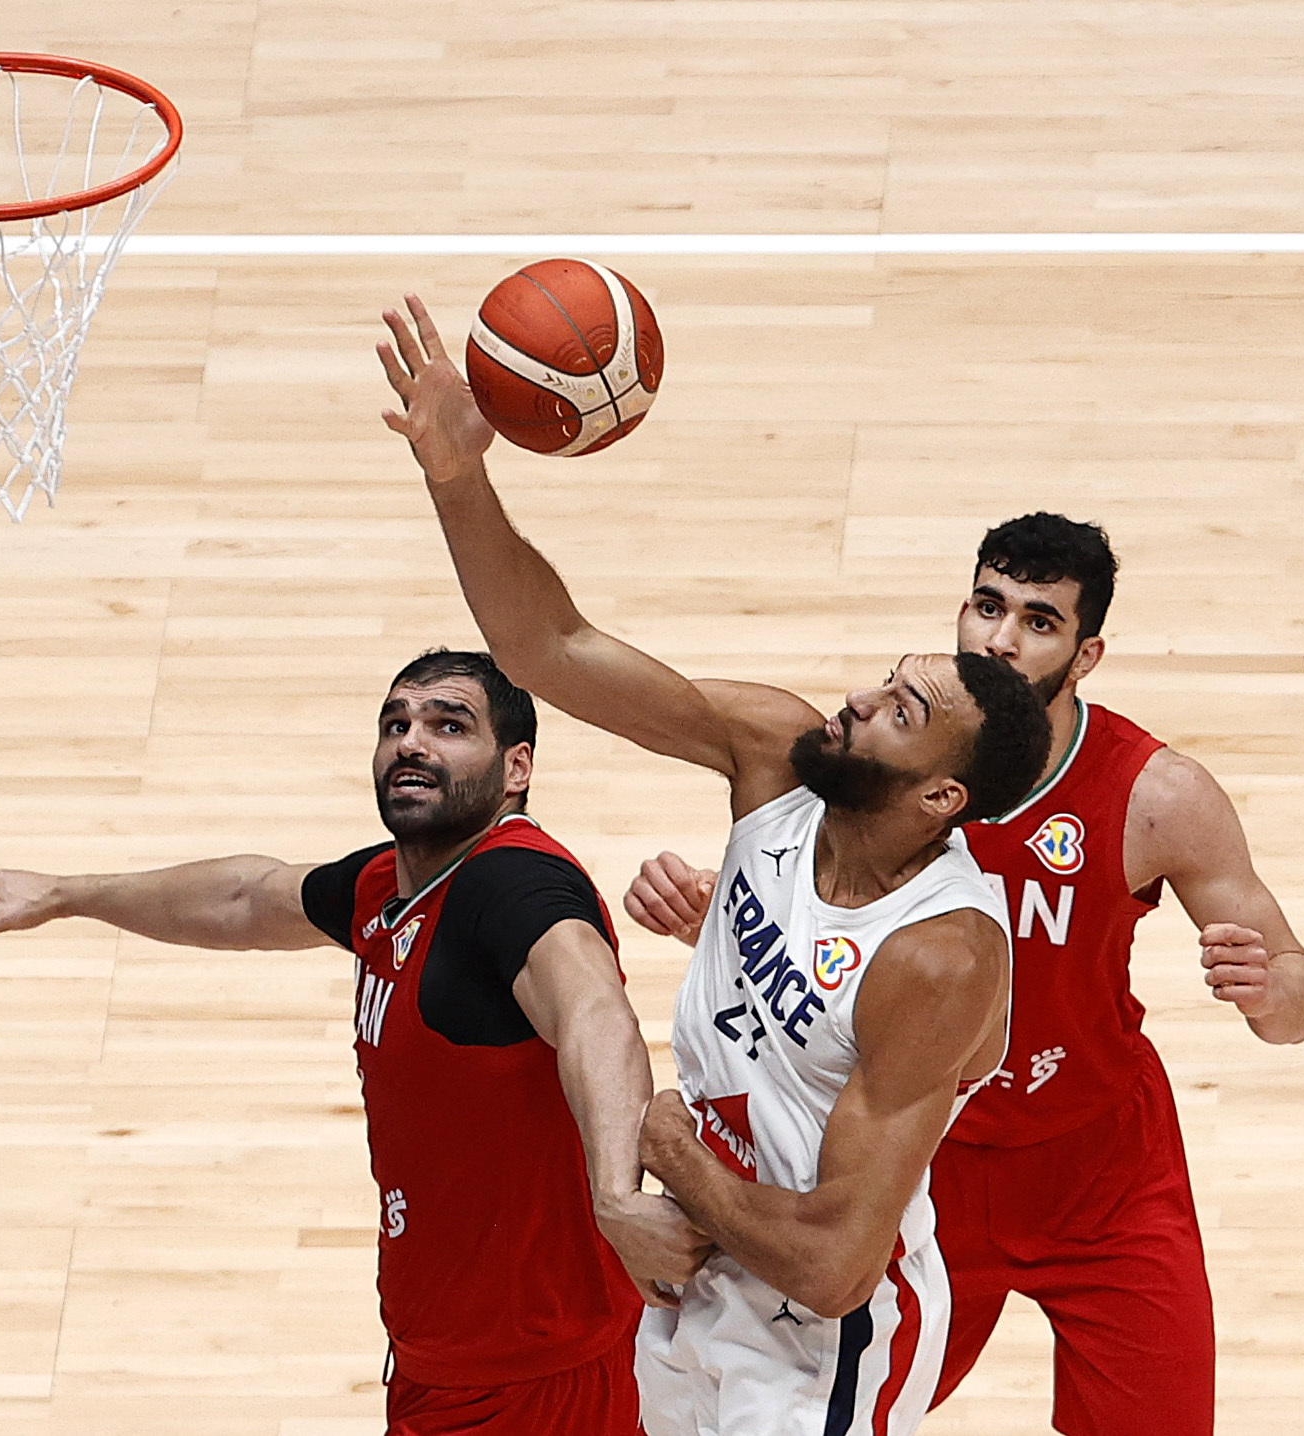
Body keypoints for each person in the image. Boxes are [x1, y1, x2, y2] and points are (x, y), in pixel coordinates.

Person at [376, 295, 1053, 1435]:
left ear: (942, 797)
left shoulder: (941, 954)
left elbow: (835, 1264)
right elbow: (552, 648)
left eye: (898, 711)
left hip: (814, 1345)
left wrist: (668, 1152)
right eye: (885, 679)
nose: (857, 699)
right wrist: (456, 473)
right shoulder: (777, 755)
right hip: (696, 1278)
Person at [623, 512, 1304, 1436]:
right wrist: (719, 914)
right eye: (988, 607)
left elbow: (1296, 998)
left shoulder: (1158, 795)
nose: (1001, 638)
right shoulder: (893, 764)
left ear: (1087, 655)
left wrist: (1273, 990)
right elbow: (819, 922)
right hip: (924, 1169)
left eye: (1039, 621)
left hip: (1100, 1170)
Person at [0, 648, 709, 1436]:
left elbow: (595, 1014)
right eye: (395, 724)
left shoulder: (510, 886)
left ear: (516, 768)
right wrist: (64, 894)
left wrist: (618, 1197)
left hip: (536, 1381)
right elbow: (245, 897)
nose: (412, 742)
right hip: (453, 1359)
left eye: (449, 726)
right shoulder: (393, 889)